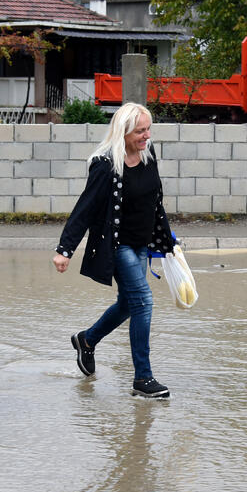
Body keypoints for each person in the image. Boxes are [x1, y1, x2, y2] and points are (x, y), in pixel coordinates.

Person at [52, 102, 176, 398]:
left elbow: (154, 200)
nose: (147, 135)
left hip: (142, 242)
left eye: (148, 129)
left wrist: (168, 239)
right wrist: (65, 249)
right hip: (117, 245)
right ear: (123, 132)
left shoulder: (148, 153)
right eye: (140, 131)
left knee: (128, 304)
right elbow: (85, 207)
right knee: (143, 301)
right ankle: (143, 378)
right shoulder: (105, 164)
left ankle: (87, 340)